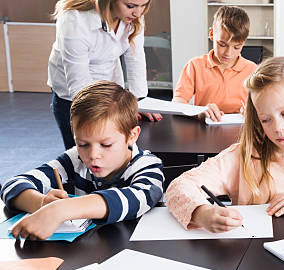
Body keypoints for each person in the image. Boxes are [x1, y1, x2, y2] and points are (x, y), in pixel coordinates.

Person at [166, 57, 284, 233]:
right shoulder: (242, 157)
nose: (278, 128)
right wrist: (202, 213)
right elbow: (179, 186)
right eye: (265, 120)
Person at [2, 81, 164, 240]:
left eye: (106, 144)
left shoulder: (148, 166)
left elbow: (136, 198)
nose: (93, 154)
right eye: (83, 144)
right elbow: (12, 185)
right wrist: (44, 204)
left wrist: (61, 210)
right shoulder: (75, 159)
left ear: (132, 136)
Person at [48, 0, 161, 150]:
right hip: (73, 97)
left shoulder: (133, 18)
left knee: (116, 155)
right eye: (131, 5)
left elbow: (135, 59)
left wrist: (139, 101)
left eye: (144, 5)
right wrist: (102, 118)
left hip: (110, 89)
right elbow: (79, 84)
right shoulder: (74, 19)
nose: (138, 12)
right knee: (83, 158)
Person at [173, 6, 257, 122]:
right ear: (212, 34)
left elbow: (262, 106)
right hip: (204, 129)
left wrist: (253, 111)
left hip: (240, 132)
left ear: (244, 41)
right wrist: (199, 112)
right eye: (222, 45)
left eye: (236, 47)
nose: (228, 53)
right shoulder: (195, 66)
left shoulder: (252, 70)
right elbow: (178, 103)